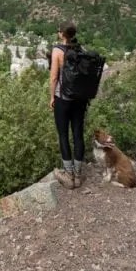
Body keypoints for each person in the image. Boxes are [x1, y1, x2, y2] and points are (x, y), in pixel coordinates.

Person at [49, 22, 88, 189]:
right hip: (79, 99)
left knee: (63, 135)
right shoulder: (81, 49)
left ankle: (68, 174)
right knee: (78, 134)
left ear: (62, 34)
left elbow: (53, 77)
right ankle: (78, 175)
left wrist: (52, 96)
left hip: (62, 98)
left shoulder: (58, 51)